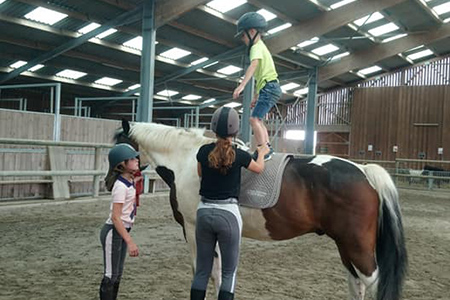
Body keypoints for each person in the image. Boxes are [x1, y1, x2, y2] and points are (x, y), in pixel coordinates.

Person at [190, 106, 269, 300]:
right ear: (235, 131)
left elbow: (200, 173)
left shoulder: (203, 151)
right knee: (228, 272)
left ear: (214, 128)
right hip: (228, 214)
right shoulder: (240, 154)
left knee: (201, 271)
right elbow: (258, 168)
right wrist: (262, 151)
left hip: (204, 212)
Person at [232, 12, 283, 161]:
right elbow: (261, 76)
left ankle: (263, 150)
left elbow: (253, 66)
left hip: (270, 87)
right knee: (258, 119)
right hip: (270, 87)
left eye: (243, 35)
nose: (243, 39)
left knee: (253, 119)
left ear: (252, 32)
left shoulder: (256, 47)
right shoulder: (262, 47)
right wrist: (256, 96)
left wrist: (241, 85)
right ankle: (267, 146)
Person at [99, 143, 142, 300]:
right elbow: (116, 217)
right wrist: (130, 241)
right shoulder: (120, 187)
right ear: (122, 164)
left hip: (122, 231)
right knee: (110, 275)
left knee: (117, 274)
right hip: (114, 231)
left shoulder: (128, 181)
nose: (137, 160)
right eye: (132, 159)